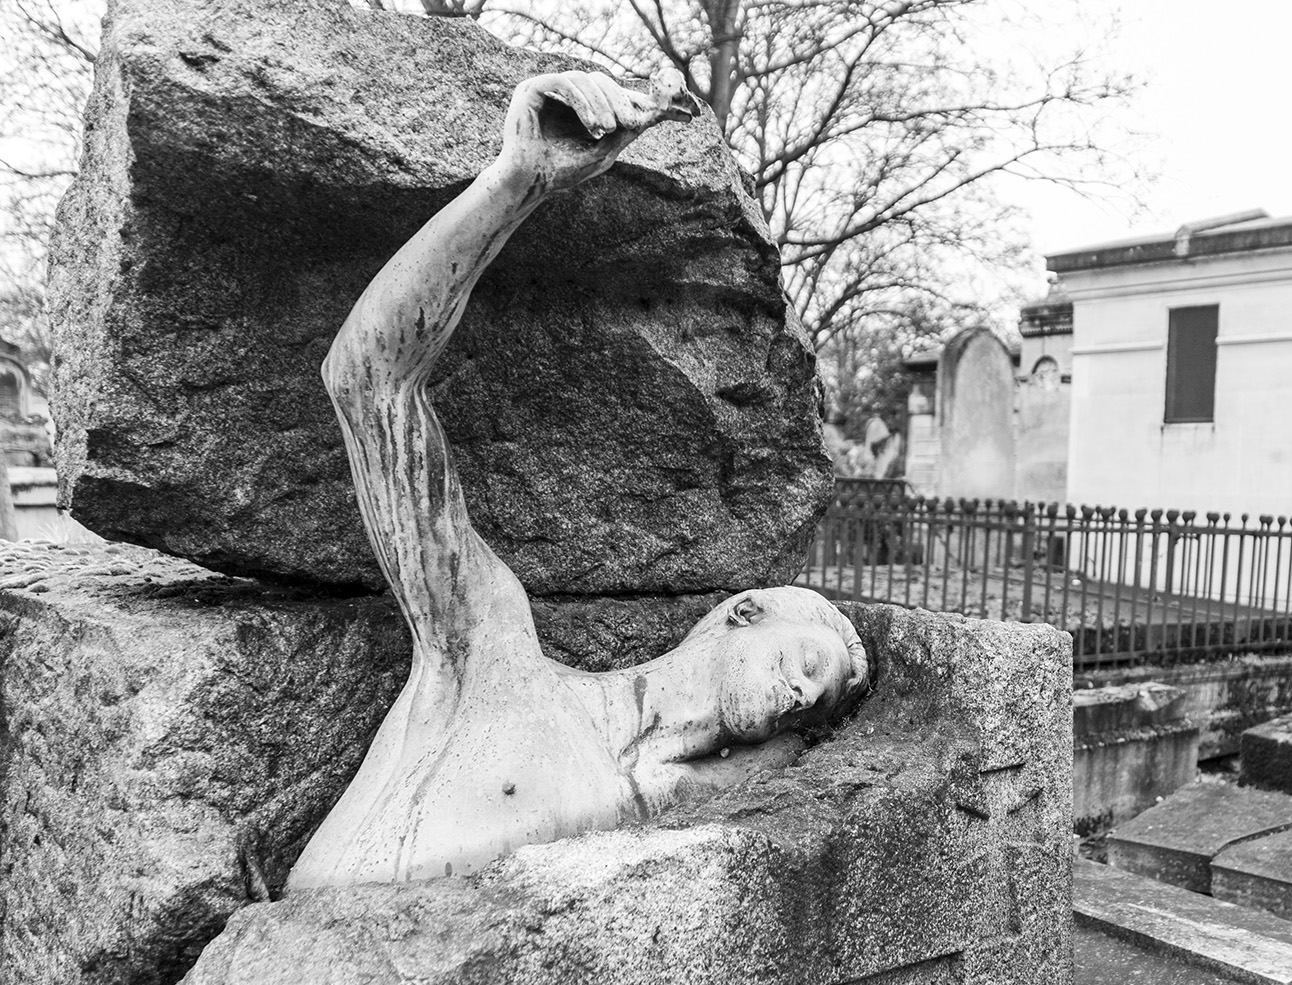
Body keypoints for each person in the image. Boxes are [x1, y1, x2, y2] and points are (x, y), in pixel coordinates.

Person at [287, 69, 868, 890]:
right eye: (808, 662)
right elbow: (367, 381)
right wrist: (515, 182)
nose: (808, 694)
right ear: (741, 611)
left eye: (821, 698)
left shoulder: (660, 802)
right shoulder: (494, 653)